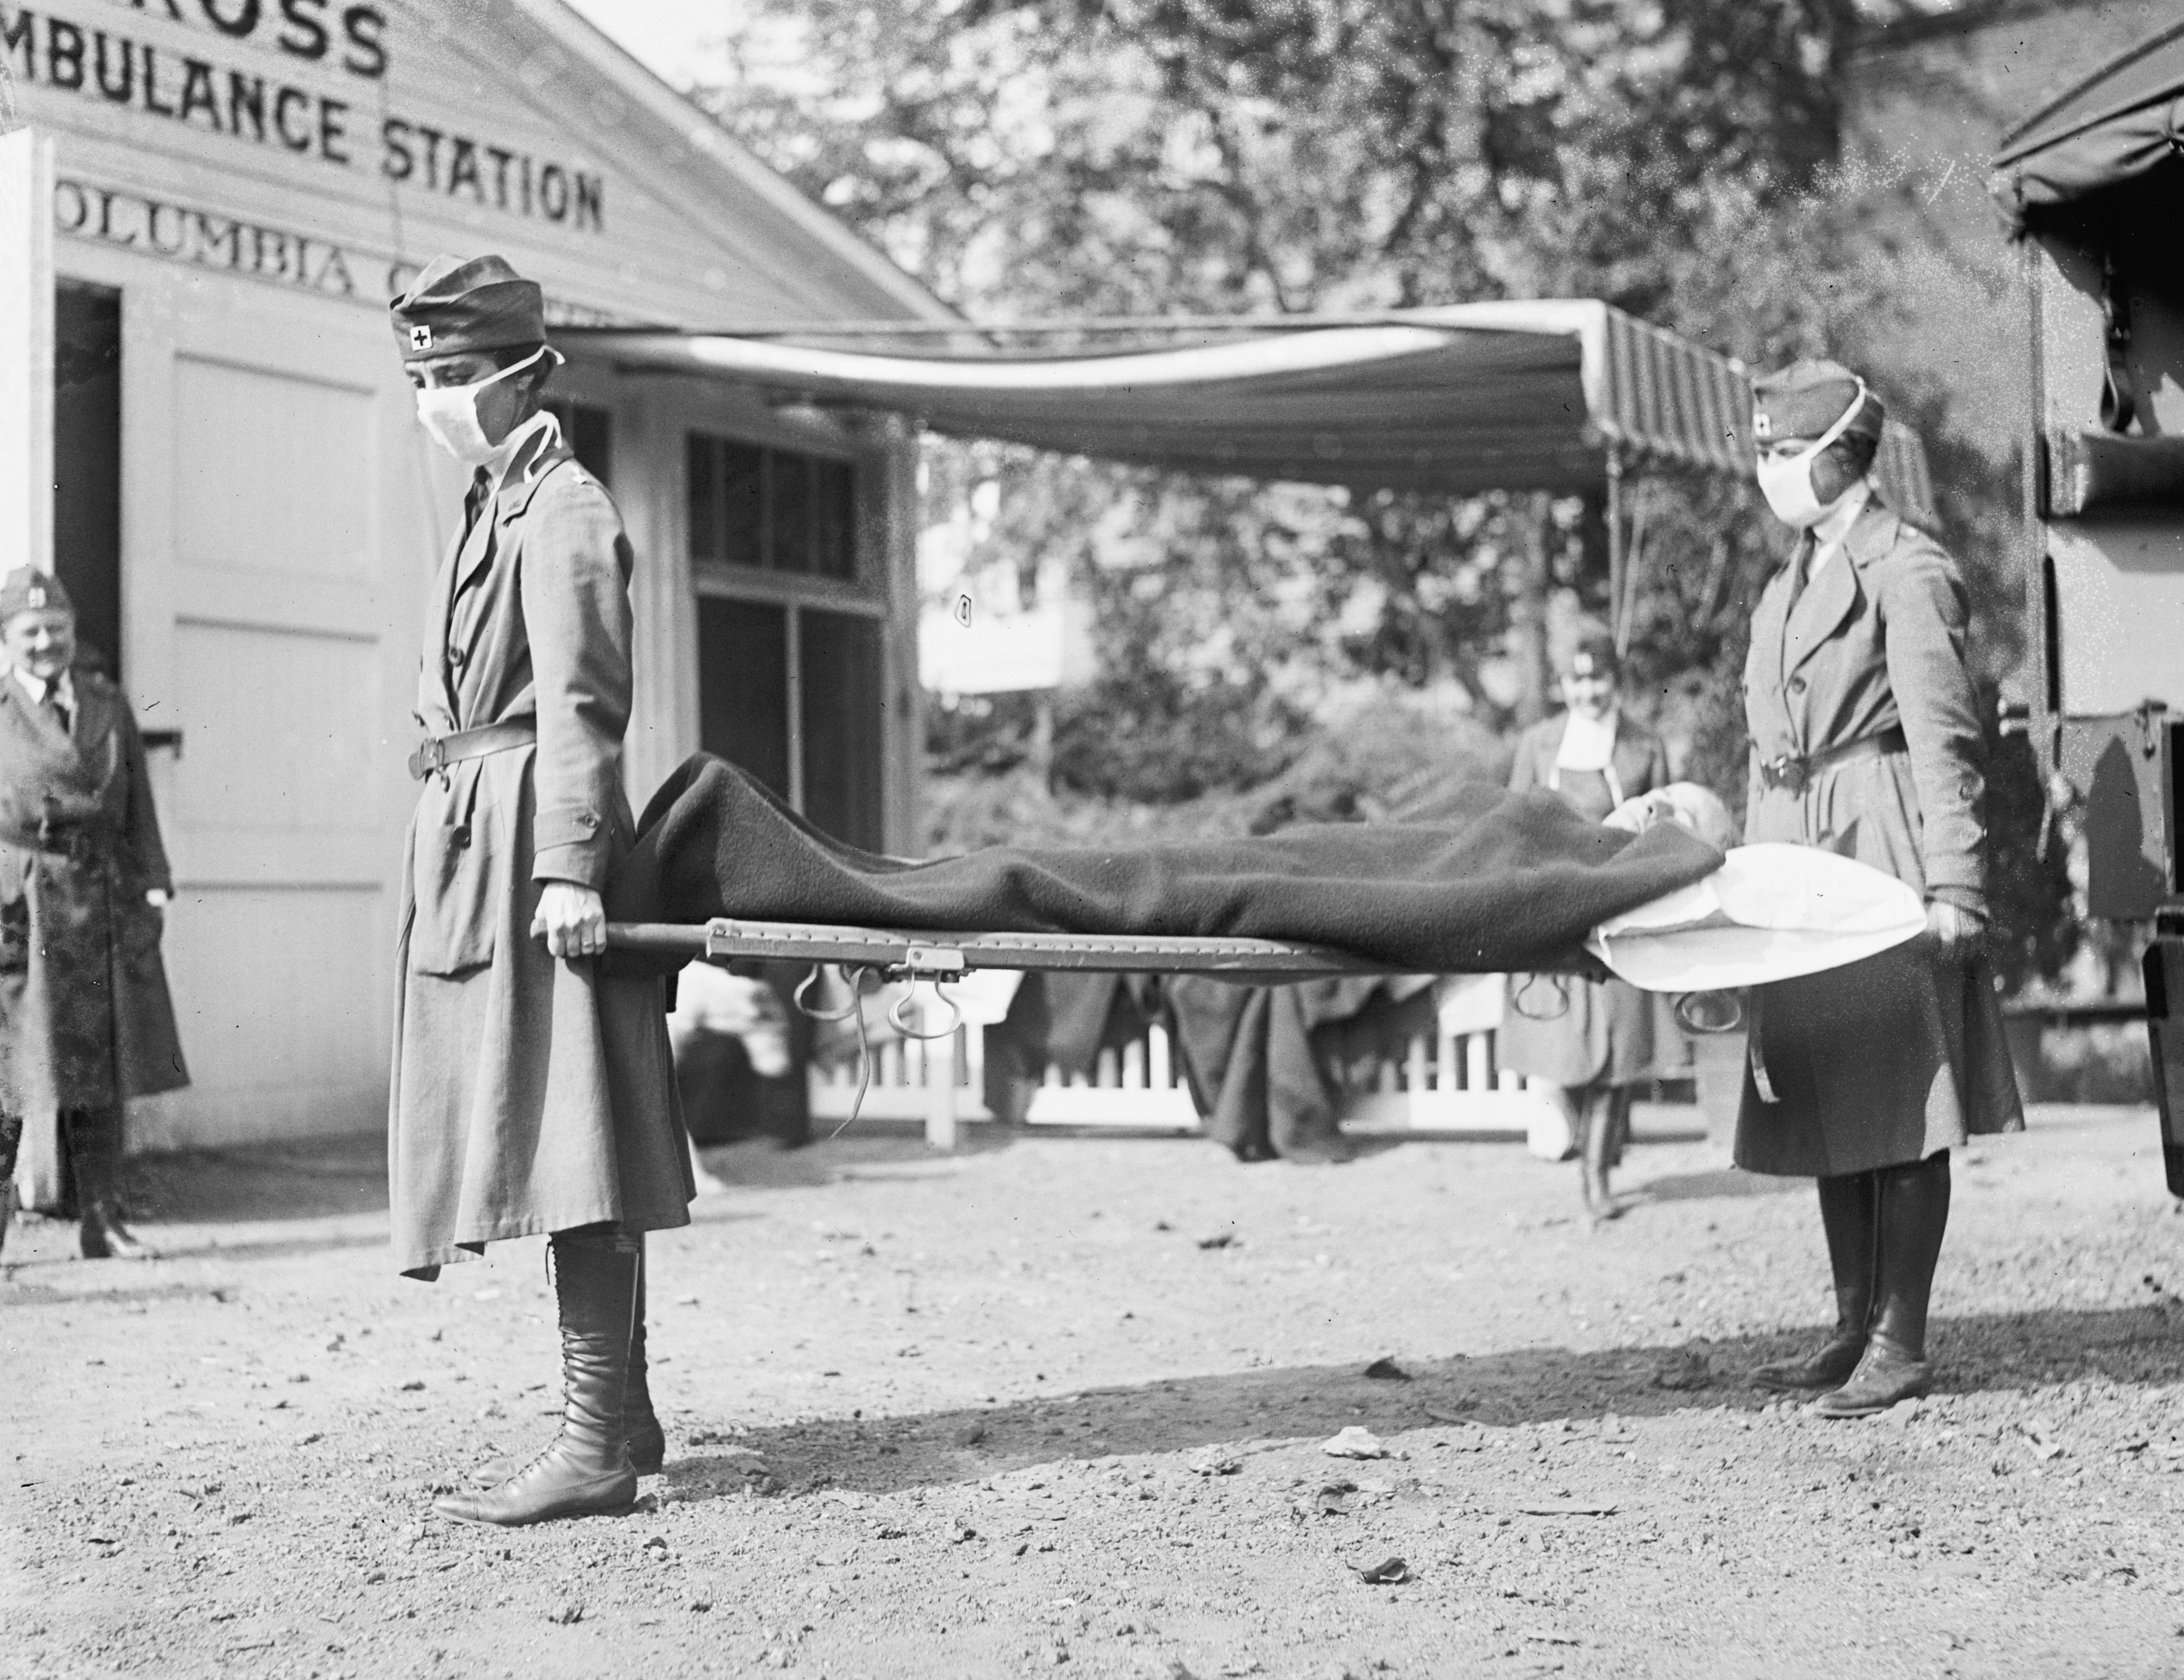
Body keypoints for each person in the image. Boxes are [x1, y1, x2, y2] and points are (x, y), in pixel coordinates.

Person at [386, 255, 691, 1524]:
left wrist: (570, 863)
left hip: (532, 844)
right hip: (475, 836)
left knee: (575, 1137)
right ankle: (621, 1415)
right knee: (558, 1129)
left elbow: (581, 702)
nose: (436, 398)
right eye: (420, 378)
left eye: (455, 376)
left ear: (523, 374)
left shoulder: (559, 504)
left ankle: (593, 1445)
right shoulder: (490, 501)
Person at [1737, 359, 2022, 1417]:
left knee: (1901, 1099)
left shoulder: (1904, 567)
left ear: (1836, 457)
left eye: (1778, 452)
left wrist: (1954, 883)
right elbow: (1765, 737)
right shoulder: (1791, 575)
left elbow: (1943, 734)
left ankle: (1898, 1341)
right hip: (1797, 845)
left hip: (1880, 841)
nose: (1763, 470)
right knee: (1826, 1093)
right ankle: (1851, 1324)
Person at [0, 568, 189, 1260]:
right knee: (8, 1071)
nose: (47, 642)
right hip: (20, 901)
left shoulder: (107, 703)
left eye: (57, 629)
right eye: (31, 631)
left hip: (100, 895)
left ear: (73, 632)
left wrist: (155, 882)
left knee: (100, 1064)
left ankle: (101, 1221)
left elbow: (137, 802)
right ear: (7, 639)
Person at [1501, 632, 1683, 1220]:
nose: (1588, 691)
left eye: (1598, 678)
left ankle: (1596, 1176)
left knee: (1618, 1050)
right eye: (1576, 680)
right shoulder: (1538, 744)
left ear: (1616, 681)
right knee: (1565, 1045)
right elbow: (1512, 824)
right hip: (1555, 905)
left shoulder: (1643, 744)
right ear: (1562, 686)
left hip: (1621, 903)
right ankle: (1582, 1141)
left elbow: (1665, 826)